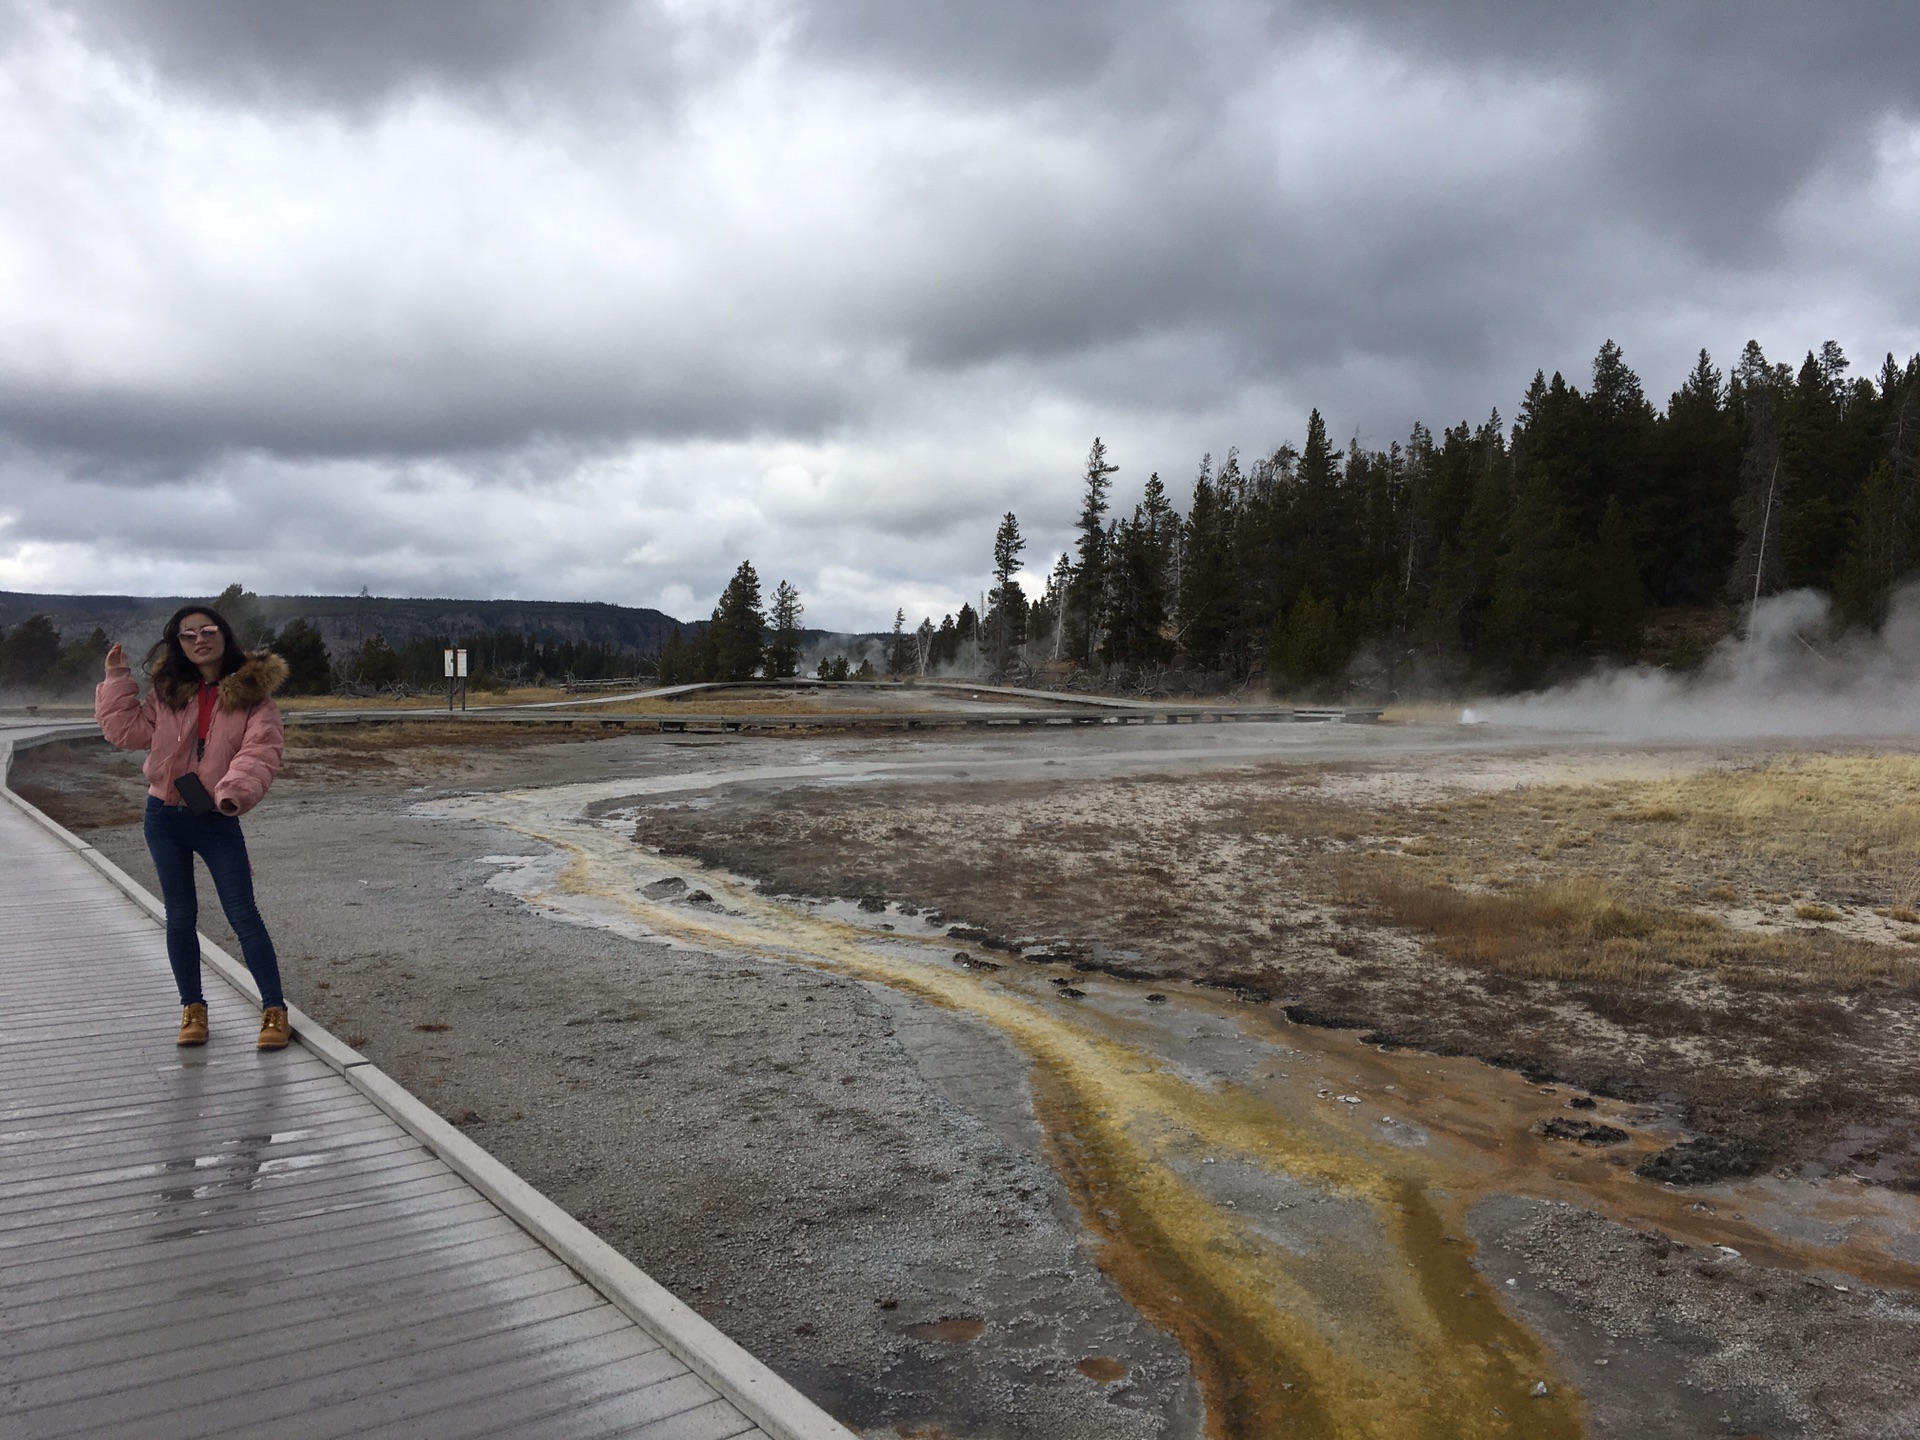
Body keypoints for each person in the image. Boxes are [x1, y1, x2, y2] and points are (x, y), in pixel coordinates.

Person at [97, 604, 293, 1049]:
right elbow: (127, 731)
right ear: (178, 644)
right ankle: (193, 1010)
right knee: (180, 917)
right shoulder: (168, 692)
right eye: (187, 635)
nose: (199, 639)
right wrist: (116, 681)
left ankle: (274, 1011)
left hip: (216, 818)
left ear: (223, 635)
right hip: (162, 818)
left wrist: (232, 792)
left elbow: (260, 751)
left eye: (207, 630)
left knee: (243, 914)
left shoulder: (253, 699)